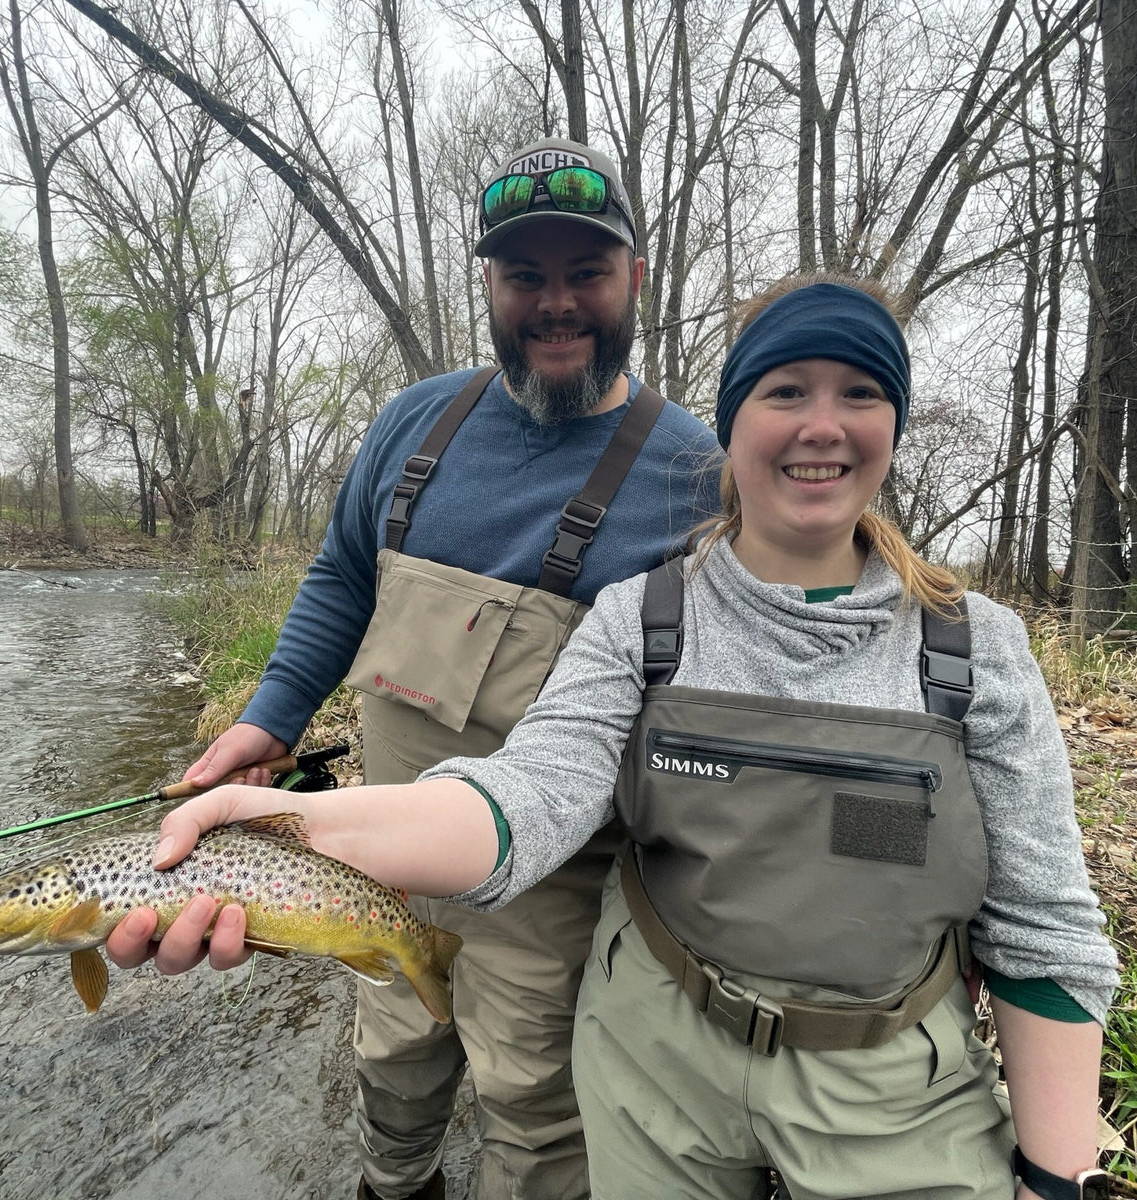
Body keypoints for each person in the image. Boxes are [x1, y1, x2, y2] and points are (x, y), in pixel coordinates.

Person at [136, 273, 1121, 1200]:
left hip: (893, 1082)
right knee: (395, 1053)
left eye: (860, 393)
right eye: (785, 391)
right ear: (733, 422)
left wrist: (1053, 1176)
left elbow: (1044, 930)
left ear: (893, 424)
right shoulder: (637, 616)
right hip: (652, 1055)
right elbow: (526, 795)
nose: (821, 425)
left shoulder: (975, 648)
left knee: (523, 1094)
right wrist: (283, 829)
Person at [106, 138, 717, 1200]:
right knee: (390, 1042)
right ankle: (395, 1184)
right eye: (526, 275)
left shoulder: (694, 472)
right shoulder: (412, 424)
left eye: (587, 272)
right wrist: (271, 717)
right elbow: (343, 576)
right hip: (379, 838)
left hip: (554, 875)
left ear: (636, 278)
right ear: (488, 283)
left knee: (532, 1081)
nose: (556, 303)